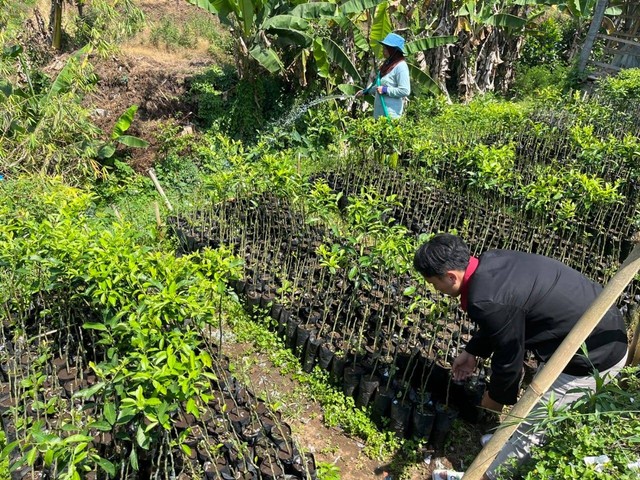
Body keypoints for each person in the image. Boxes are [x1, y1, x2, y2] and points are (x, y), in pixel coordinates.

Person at [413, 233, 628, 479]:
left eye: (434, 283)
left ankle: (488, 476)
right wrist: (473, 351)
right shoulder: (492, 260)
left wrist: (495, 400)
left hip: (594, 356)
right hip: (601, 324)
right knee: (530, 415)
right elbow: (506, 315)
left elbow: (510, 358)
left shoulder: (484, 298)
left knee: (533, 426)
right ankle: (503, 445)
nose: (435, 290)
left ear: (451, 276)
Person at [356, 32, 410, 119]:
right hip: (379, 114)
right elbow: (379, 86)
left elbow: (405, 91)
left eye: (385, 49)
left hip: (391, 115)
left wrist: (386, 90)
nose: (383, 50)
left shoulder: (401, 66)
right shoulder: (387, 65)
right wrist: (366, 92)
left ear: (393, 50)